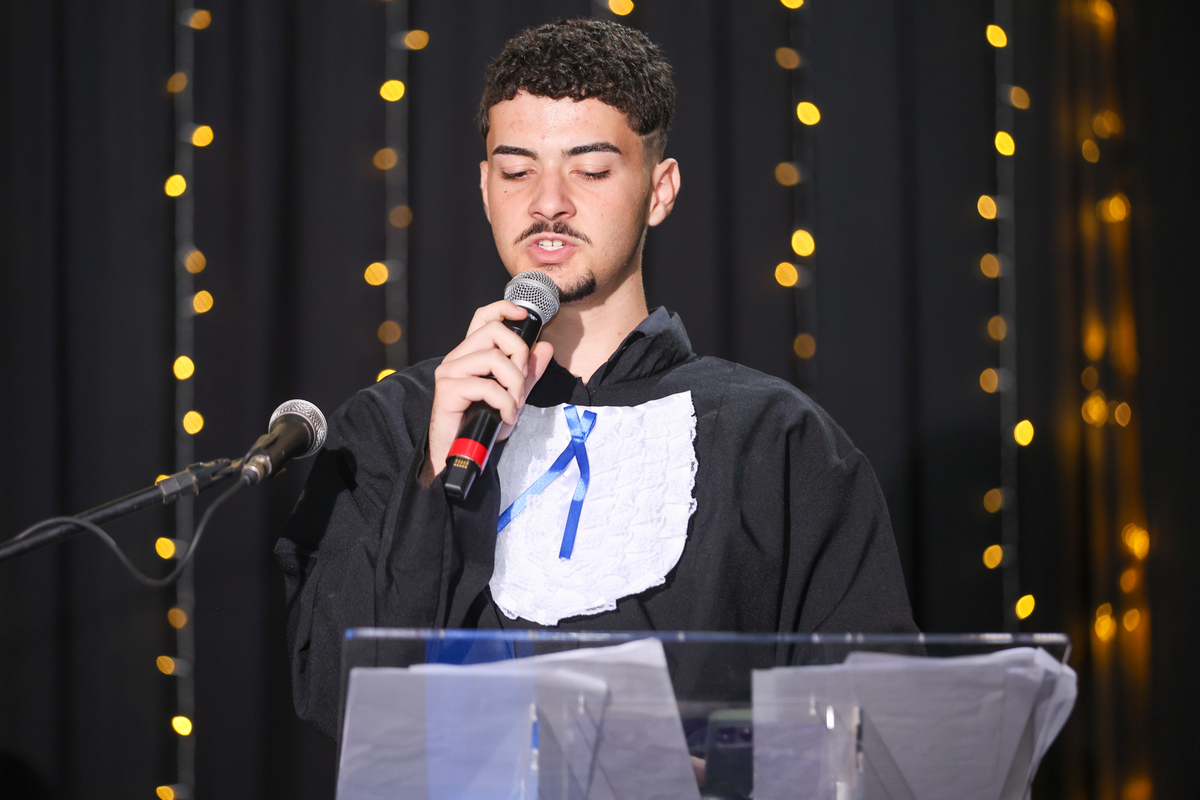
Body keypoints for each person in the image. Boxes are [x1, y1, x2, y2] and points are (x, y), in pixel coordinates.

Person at [276, 18, 916, 741]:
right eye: (517, 171)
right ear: (485, 188)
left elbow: (872, 730)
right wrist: (432, 474)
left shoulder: (778, 439)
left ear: (659, 190)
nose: (548, 202)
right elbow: (335, 699)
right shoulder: (388, 425)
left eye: (590, 169)